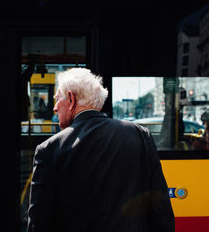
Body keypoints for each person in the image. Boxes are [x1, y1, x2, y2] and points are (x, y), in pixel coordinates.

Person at [27, 68, 174, 232]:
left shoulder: (49, 149)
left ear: (71, 99)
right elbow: (160, 206)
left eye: (57, 99)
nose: (55, 107)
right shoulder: (139, 135)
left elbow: (38, 222)